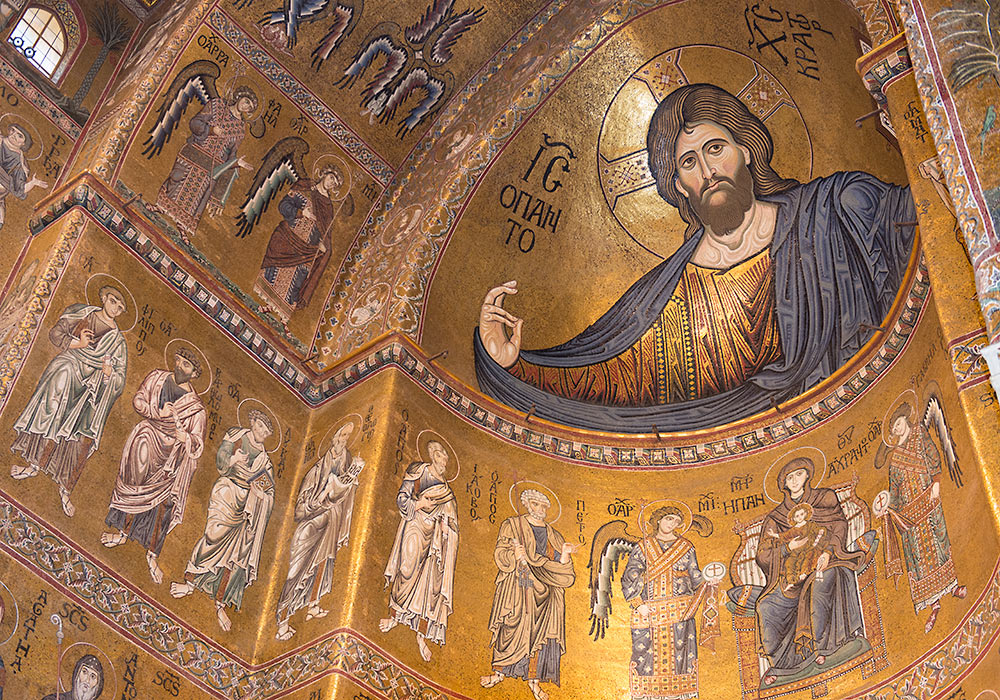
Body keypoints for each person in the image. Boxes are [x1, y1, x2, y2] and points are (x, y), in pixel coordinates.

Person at [475, 83, 917, 432]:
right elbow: (609, 378)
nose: (707, 172)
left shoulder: (834, 211)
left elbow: (915, 220)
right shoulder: (665, 297)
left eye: (715, 149)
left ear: (745, 149)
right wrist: (514, 364)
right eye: (688, 162)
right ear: (678, 185)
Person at [10, 286, 129, 517]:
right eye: (113, 301)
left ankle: (65, 489)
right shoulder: (81, 313)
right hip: (70, 364)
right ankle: (35, 465)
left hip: (93, 385)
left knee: (85, 430)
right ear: (104, 298)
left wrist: (107, 374)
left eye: (120, 307)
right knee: (61, 378)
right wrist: (78, 344)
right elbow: (55, 334)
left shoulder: (118, 343)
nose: (115, 308)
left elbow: (119, 379)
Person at [755, 457, 873, 687]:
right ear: (784, 485)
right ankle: (784, 665)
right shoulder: (776, 518)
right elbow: (763, 554)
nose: (795, 480)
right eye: (789, 478)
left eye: (798, 474)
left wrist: (828, 552)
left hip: (826, 561)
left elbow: (839, 525)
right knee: (766, 605)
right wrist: (788, 548)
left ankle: (828, 648)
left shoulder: (824, 498)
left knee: (821, 584)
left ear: (807, 475)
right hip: (792, 574)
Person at [101, 348, 206, 584]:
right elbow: (138, 400)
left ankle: (152, 555)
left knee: (165, 502)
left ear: (195, 373)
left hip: (173, 458)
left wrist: (185, 438)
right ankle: (122, 532)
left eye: (187, 366)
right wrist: (157, 412)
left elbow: (197, 444)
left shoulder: (197, 409)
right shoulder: (157, 377)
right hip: (148, 436)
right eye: (179, 361)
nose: (180, 367)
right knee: (137, 470)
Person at [170, 410, 275, 632]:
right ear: (252, 422)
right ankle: (189, 582)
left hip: (247, 506)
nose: (261, 433)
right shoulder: (235, 436)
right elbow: (221, 463)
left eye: (265, 432)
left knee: (236, 556)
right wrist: (233, 459)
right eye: (259, 427)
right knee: (212, 535)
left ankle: (220, 603)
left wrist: (260, 495)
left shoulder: (265, 460)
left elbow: (269, 491)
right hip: (226, 493)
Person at [876, 402, 966, 632]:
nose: (896, 429)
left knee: (939, 540)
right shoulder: (894, 459)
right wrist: (887, 505)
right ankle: (933, 603)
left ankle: (952, 587)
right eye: (893, 428)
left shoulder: (919, 435)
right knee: (917, 556)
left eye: (898, 423)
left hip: (927, 497)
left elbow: (933, 456)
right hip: (911, 514)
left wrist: (936, 481)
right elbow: (894, 491)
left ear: (905, 420)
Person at [480, 489, 576, 700]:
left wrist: (566, 554)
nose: (540, 509)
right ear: (526, 504)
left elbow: (563, 569)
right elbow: (500, 553)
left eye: (544, 505)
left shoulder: (554, 534)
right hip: (520, 583)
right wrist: (514, 554)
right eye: (535, 504)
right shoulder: (512, 525)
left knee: (542, 636)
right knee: (512, 624)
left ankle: (534, 682)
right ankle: (499, 672)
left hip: (547, 589)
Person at [275, 422, 364, 640]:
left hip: (330, 523)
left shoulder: (345, 466)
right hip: (310, 526)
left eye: (347, 437)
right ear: (333, 438)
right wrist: (321, 498)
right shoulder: (315, 472)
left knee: (322, 565)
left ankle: (313, 604)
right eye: (341, 435)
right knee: (296, 572)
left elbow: (343, 495)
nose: (343, 440)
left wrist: (348, 482)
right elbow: (299, 511)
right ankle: (282, 619)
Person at [620, 506, 714, 700]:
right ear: (658, 521)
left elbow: (695, 575)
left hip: (680, 612)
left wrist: (708, 582)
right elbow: (630, 576)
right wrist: (638, 604)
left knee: (681, 655)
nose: (671, 524)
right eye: (668, 519)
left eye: (676, 521)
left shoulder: (686, 547)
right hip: (649, 611)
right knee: (645, 656)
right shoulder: (644, 546)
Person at [379, 440, 459, 661]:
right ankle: (395, 616)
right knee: (407, 569)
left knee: (429, 586)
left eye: (445, 456)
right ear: (433, 455)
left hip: (434, 539)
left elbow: (451, 520)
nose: (445, 460)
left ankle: (421, 634)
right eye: (442, 455)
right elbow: (402, 498)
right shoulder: (418, 471)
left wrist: (446, 528)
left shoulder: (447, 491)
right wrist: (419, 504)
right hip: (414, 525)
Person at [154, 86, 257, 238]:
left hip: (213, 165)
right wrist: (210, 130)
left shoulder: (240, 129)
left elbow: (232, 153)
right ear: (240, 96)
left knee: (197, 195)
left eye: (250, 106)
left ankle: (183, 226)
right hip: (195, 151)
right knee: (177, 179)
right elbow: (195, 122)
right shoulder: (217, 106)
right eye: (246, 101)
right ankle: (162, 208)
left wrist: (236, 164)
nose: (246, 106)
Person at [255, 163, 353, 321]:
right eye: (331, 178)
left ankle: (283, 315)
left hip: (307, 249)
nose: (331, 183)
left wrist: (324, 246)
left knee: (298, 279)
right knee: (276, 270)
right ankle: (266, 304)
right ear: (324, 174)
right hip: (288, 237)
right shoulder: (305, 187)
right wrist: (301, 213)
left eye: (335, 183)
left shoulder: (328, 206)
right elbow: (283, 205)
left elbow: (326, 231)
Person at [767, 504, 827, 592]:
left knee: (808, 557)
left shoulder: (811, 524)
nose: (800, 517)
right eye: (797, 516)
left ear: (806, 514)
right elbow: (785, 536)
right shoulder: (794, 529)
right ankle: (791, 581)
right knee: (789, 562)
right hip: (797, 550)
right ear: (794, 518)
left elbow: (819, 531)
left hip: (810, 547)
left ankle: (804, 573)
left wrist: (820, 532)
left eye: (802, 514)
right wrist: (774, 535)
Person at [0, 123, 47, 231]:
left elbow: (19, 188)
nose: (14, 135)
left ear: (24, 144)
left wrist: (33, 183)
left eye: (19, 135)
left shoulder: (19, 163)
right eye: (13, 130)